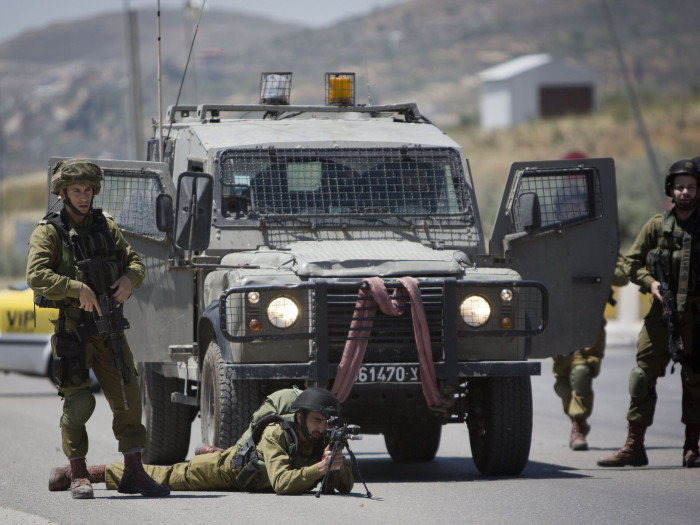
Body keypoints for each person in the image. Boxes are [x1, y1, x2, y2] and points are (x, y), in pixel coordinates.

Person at [27, 159, 169, 499]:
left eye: (88, 190)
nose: (83, 196)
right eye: (76, 190)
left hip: (111, 330)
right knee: (78, 405)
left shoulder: (106, 226)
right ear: (62, 194)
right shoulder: (49, 231)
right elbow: (36, 275)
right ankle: (78, 474)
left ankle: (134, 472)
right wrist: (75, 288)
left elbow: (134, 261)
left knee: (129, 399)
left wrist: (129, 279)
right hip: (74, 331)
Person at [48, 387, 355, 495]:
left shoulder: (322, 437)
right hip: (231, 471)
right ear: (299, 417)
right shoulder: (278, 433)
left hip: (253, 469)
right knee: (169, 476)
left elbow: (345, 486)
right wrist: (320, 469)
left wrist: (336, 461)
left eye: (326, 422)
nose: (322, 428)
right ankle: (92, 472)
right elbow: (282, 484)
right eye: (317, 421)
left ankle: (211, 451)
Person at [598, 159, 700, 468]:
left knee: (695, 380)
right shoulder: (657, 225)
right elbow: (631, 262)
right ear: (671, 189)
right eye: (680, 187)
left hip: (696, 316)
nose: (685, 192)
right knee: (641, 376)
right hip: (662, 314)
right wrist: (651, 283)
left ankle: (692, 448)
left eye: (691, 187)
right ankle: (634, 446)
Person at [552, 254, 629, 450]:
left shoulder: (599, 242)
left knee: (582, 374)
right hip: (560, 319)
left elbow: (623, 274)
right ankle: (580, 420)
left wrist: (596, 270)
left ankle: (577, 426)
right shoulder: (556, 241)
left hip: (589, 318)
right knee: (562, 383)